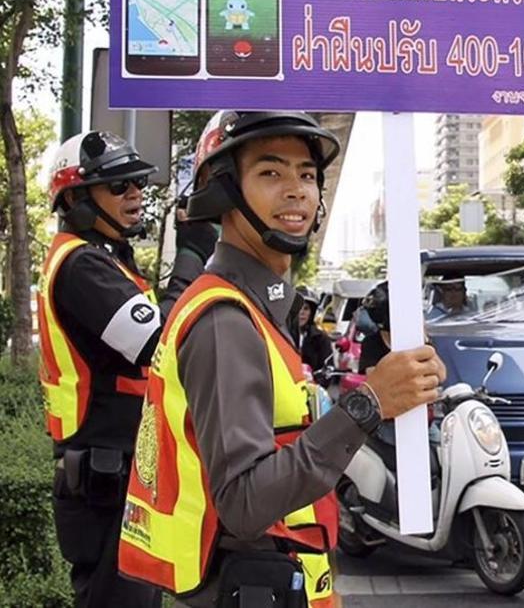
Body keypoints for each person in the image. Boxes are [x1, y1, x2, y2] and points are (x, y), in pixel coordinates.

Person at [118, 111, 445, 608]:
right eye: (271, 172)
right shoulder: (224, 321)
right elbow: (245, 503)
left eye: (307, 175)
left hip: (279, 581)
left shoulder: (261, 307)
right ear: (225, 190)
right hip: (247, 585)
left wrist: (399, 387)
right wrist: (369, 404)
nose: (297, 190)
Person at [39, 130, 218, 608]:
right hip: (104, 478)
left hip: (119, 469)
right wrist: (192, 255)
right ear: (76, 198)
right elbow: (161, 343)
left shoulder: (108, 261)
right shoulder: (81, 266)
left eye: (138, 183)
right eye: (119, 187)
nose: (136, 194)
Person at [293, 286, 334, 375]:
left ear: (311, 313)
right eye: (298, 308)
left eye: (306, 308)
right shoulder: (280, 335)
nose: (302, 312)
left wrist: (315, 383)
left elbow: (328, 369)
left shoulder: (321, 339)